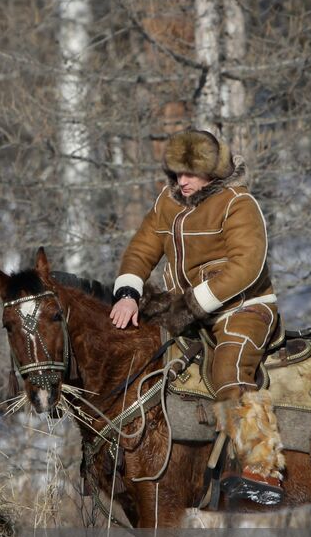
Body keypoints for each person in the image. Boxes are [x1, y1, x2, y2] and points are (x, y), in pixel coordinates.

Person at [108, 129, 284, 505]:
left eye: (190, 173)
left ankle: (259, 466)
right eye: (176, 173)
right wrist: (127, 293)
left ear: (213, 172)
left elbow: (247, 266)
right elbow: (141, 248)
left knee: (228, 369)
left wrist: (192, 305)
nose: (182, 181)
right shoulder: (167, 202)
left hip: (244, 307)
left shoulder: (239, 202)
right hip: (184, 311)